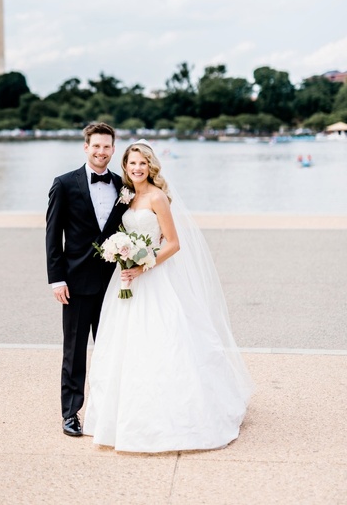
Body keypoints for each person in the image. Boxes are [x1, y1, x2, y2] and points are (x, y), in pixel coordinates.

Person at [84, 140, 253, 452]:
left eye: (142, 164)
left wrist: (143, 264)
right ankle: (116, 418)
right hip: (127, 279)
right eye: (132, 164)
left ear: (151, 167)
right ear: (125, 167)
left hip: (154, 277)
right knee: (123, 344)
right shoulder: (126, 195)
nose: (137, 169)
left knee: (166, 341)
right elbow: (114, 231)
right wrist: (121, 256)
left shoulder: (158, 197)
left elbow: (173, 243)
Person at [46, 123, 128, 437]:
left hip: (114, 284)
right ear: (86, 147)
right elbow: (52, 236)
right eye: (96, 146)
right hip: (76, 283)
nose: (101, 152)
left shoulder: (124, 186)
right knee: (75, 350)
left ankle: (111, 409)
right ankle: (71, 413)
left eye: (107, 147)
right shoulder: (64, 184)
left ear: (113, 148)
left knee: (112, 349)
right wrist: (57, 280)